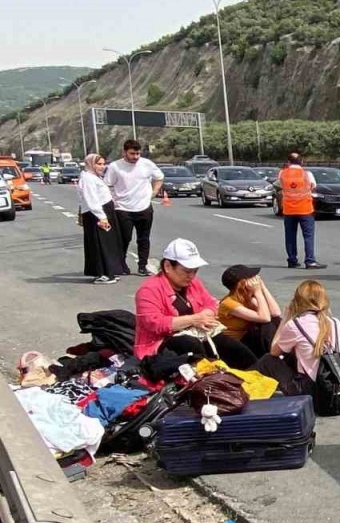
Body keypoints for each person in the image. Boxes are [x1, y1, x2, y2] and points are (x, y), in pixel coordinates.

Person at [133, 238, 257, 369]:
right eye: (187, 271)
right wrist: (193, 320)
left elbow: (211, 303)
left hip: (197, 333)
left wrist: (205, 314)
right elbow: (154, 323)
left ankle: (259, 378)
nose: (191, 276)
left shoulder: (194, 283)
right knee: (192, 346)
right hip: (160, 344)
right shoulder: (149, 290)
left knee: (233, 348)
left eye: (195, 271)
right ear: (168, 266)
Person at [255, 280, 340, 397]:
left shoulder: (295, 325)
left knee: (268, 360)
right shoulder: (334, 322)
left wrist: (285, 319)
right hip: (336, 382)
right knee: (294, 353)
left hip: (312, 390)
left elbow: (274, 351)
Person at [104, 139, 164, 276]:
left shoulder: (147, 164)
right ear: (124, 152)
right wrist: (112, 200)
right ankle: (121, 264)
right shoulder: (115, 167)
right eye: (132, 154)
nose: (135, 157)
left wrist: (153, 193)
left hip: (144, 207)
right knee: (124, 238)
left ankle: (142, 266)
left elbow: (159, 177)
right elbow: (107, 184)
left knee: (144, 238)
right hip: (123, 208)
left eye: (138, 153)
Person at [76, 153, 129, 284]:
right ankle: (104, 273)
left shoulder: (94, 177)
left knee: (108, 243)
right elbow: (91, 199)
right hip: (97, 214)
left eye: (103, 164)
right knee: (100, 244)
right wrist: (102, 217)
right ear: (90, 164)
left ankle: (110, 271)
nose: (102, 167)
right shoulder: (88, 178)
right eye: (98, 164)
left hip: (104, 212)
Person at [217, 265, 282, 358]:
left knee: (275, 320)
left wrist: (263, 287)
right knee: (267, 324)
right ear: (242, 283)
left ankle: (277, 352)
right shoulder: (228, 303)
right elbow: (265, 318)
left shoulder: (248, 299)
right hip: (236, 345)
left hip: (248, 340)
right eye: (252, 278)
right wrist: (257, 291)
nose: (256, 280)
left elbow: (275, 313)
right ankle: (273, 355)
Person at [276, 152, 327, 270]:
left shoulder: (282, 173)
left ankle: (292, 260)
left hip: (288, 210)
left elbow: (279, 185)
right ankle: (310, 261)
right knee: (308, 236)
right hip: (305, 209)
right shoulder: (307, 174)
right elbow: (313, 186)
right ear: (302, 162)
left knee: (290, 236)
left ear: (288, 162)